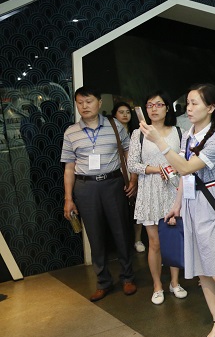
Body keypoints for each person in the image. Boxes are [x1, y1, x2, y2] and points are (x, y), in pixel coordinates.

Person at [140, 83, 215, 337]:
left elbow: (186, 166)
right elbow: (185, 176)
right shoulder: (190, 134)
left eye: (194, 103)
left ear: (211, 107)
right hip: (192, 205)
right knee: (203, 272)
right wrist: (177, 205)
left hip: (211, 206)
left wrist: (159, 142)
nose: (188, 108)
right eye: (187, 103)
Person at [62, 88, 138, 302]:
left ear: (99, 103)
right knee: (95, 236)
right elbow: (69, 167)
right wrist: (68, 198)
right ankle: (103, 281)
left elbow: (129, 153)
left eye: (88, 101)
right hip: (85, 187)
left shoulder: (115, 126)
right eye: (80, 102)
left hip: (113, 184)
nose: (84, 106)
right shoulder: (71, 132)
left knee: (121, 232)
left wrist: (133, 179)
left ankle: (127, 277)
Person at [127, 91, 188, 305]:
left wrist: (174, 168)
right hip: (150, 191)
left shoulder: (179, 132)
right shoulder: (139, 134)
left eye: (159, 104)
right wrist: (156, 169)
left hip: (173, 190)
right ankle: (157, 286)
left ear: (167, 108)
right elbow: (132, 164)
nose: (154, 109)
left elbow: (185, 162)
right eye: (150, 105)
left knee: (173, 238)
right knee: (154, 243)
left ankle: (174, 283)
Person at [112, 101, 145, 253]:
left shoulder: (136, 133)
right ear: (114, 115)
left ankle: (137, 239)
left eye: (127, 112)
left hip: (135, 173)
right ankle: (123, 242)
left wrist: (135, 177)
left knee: (136, 208)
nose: (125, 115)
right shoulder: (111, 134)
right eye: (121, 112)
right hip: (117, 174)